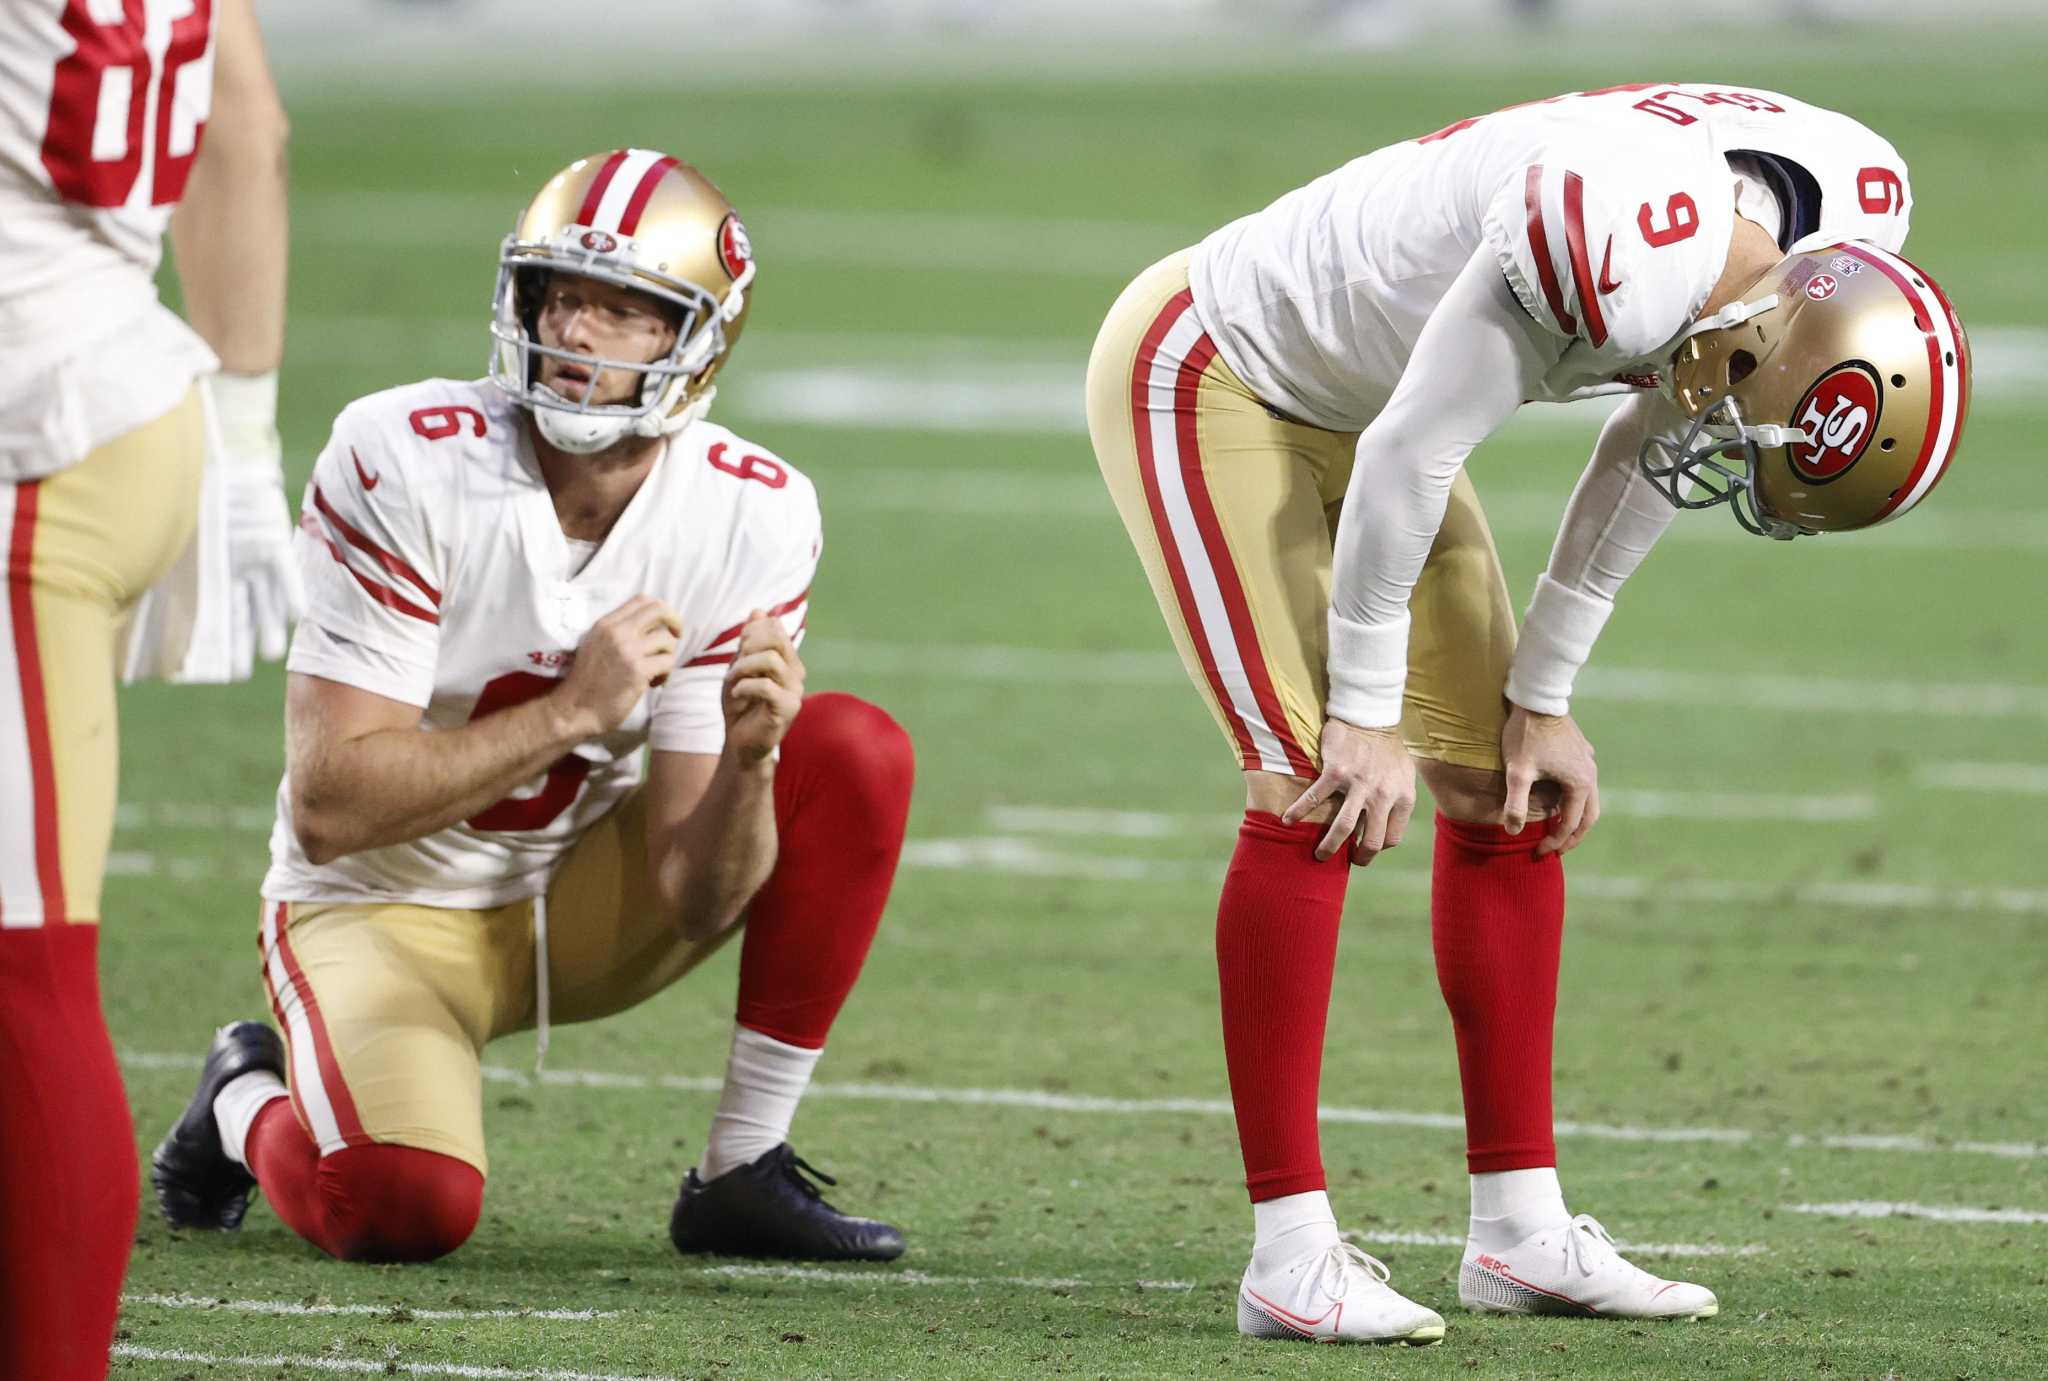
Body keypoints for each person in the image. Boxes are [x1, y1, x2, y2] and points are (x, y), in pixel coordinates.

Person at [1086, 82, 1967, 1345]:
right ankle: (1287, 1255)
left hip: (1371, 405)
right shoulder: (1618, 245)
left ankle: (1518, 1232)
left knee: (1504, 783)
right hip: (1212, 363)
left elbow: (1651, 443)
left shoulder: (1811, 260)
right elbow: (1405, 455)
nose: (1723, 440)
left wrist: (1541, 698)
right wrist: (1365, 715)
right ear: (1767, 334)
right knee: (1310, 779)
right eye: (1745, 425)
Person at [150, 149, 915, 1267]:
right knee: (398, 1206)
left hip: (571, 893)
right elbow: (329, 809)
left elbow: (692, 896)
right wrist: (572, 710)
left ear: (695, 340)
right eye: (559, 295)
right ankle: (241, 1094)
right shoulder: (404, 458)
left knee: (848, 748)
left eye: (623, 309)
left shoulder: (752, 510)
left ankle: (740, 1167)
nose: (576, 332)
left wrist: (750, 768)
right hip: (378, 906)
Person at [0, 0, 298, 1373]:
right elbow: (244, 126)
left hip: (34, 434)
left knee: (26, 969)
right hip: (120, 396)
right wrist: (241, 432)